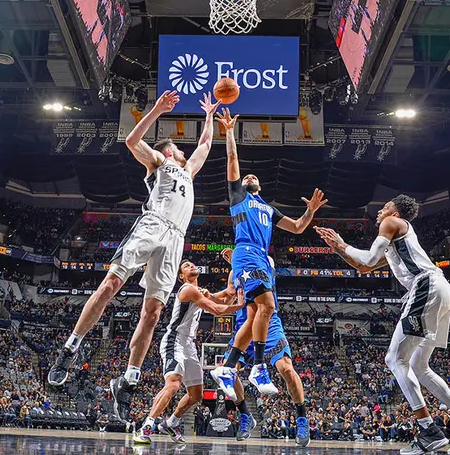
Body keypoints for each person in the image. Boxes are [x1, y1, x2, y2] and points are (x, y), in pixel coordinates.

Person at [48, 91, 222, 423]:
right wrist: (158, 108)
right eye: (179, 149)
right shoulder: (161, 161)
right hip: (152, 224)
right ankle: (69, 349)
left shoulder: (189, 172)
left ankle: (128, 380)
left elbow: (205, 145)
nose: (185, 153)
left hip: (175, 239)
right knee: (110, 284)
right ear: (170, 150)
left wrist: (210, 115)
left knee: (154, 313)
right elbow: (131, 140)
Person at [317, 195, 450, 455]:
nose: (380, 212)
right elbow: (363, 267)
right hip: (442, 290)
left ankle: (429, 430)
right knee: (419, 367)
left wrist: (343, 242)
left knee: (394, 360)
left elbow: (369, 258)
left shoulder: (391, 222)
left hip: (426, 286)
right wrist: (339, 247)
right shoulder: (398, 238)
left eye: (385, 207)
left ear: (395, 212)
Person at [210, 109, 325, 446]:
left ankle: (301, 418)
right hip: (247, 261)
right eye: (245, 176)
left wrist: (311, 211)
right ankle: (247, 404)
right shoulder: (238, 200)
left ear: (260, 186)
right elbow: (232, 159)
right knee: (264, 305)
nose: (248, 176)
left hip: (258, 279)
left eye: (252, 177)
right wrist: (229, 132)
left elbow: (300, 227)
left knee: (287, 366)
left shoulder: (268, 210)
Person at [134, 260, 244, 444]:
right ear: (181, 276)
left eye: (193, 264)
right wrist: (240, 305)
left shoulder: (199, 291)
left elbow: (226, 297)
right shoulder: (187, 289)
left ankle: (171, 422)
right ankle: (147, 426)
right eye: (186, 266)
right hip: (174, 340)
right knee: (174, 384)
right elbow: (217, 309)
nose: (192, 266)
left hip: (189, 344)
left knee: (196, 395)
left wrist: (234, 272)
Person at [213, 248, 312, 446]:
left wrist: (235, 260)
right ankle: (245, 416)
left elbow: (263, 273)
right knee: (227, 372)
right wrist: (207, 296)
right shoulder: (234, 272)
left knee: (286, 368)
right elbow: (230, 296)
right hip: (244, 325)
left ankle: (302, 418)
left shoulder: (265, 259)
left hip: (269, 323)